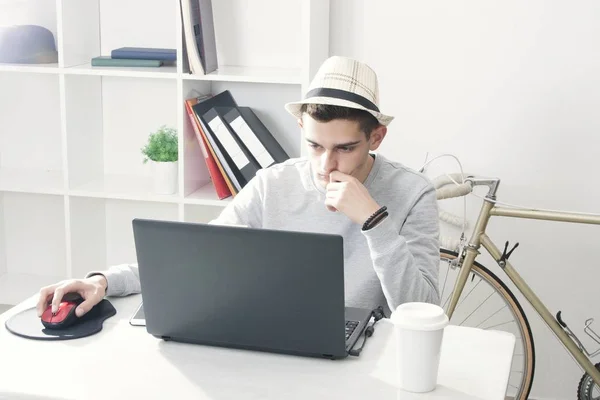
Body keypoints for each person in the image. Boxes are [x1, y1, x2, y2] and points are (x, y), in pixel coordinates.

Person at [36, 56, 441, 319]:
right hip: (272, 342)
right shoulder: (274, 184)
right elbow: (199, 256)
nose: (326, 164)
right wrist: (105, 280)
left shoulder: (413, 193)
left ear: (377, 138)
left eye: (345, 148)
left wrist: (374, 221)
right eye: (315, 145)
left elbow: (423, 309)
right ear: (302, 128)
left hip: (367, 359)